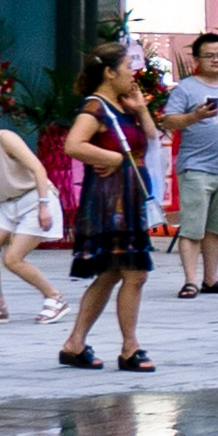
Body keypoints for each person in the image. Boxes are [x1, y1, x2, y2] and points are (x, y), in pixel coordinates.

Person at [55, 43, 161, 371]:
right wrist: (111, 158)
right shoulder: (95, 108)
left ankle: (75, 343)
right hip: (109, 202)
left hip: (128, 200)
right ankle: (130, 347)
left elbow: (152, 136)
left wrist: (141, 108)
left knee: (112, 273)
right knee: (135, 273)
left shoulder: (123, 105)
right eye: (129, 66)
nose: (135, 72)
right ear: (110, 72)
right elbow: (73, 144)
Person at [159, 32, 218, 299]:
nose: (215, 60)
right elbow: (168, 121)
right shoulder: (186, 88)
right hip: (196, 167)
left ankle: (212, 278)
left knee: (217, 228)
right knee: (193, 227)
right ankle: (190, 280)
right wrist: (195, 116)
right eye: (209, 56)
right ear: (197, 58)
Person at [0, 96, 67, 324]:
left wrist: (43, 206)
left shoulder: (4, 138)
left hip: (36, 199)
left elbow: (38, 169)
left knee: (12, 258)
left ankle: (54, 297)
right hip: (8, 206)